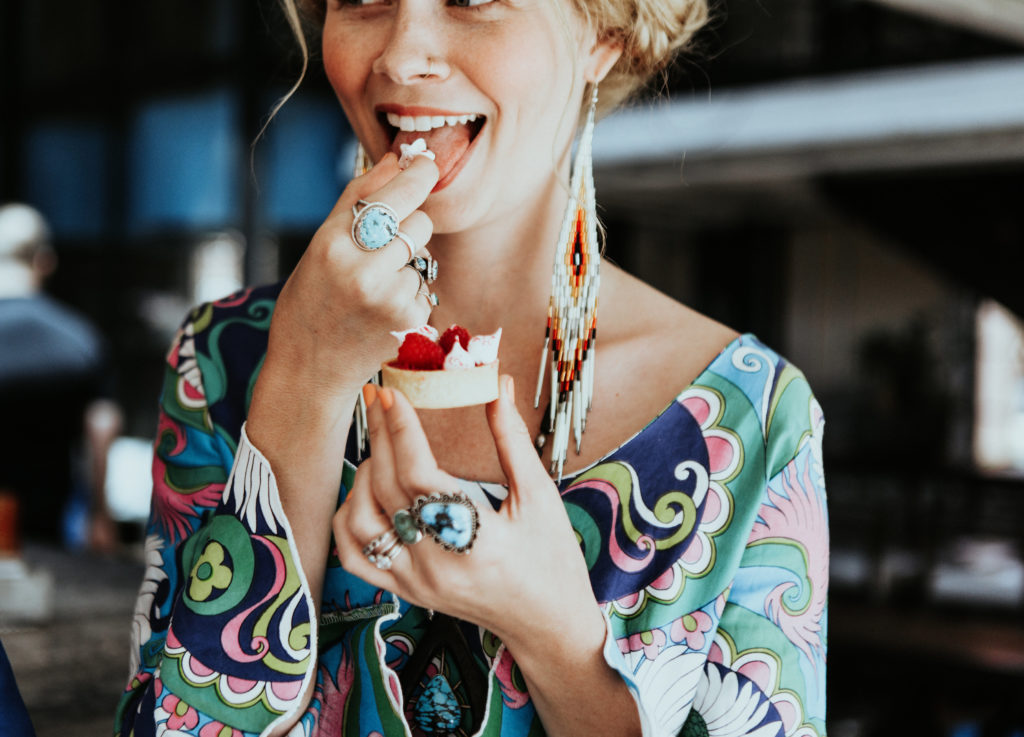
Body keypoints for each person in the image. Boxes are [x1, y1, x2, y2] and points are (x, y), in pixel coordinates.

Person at [117, 1, 828, 736]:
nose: (401, 55)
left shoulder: (753, 418)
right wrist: (303, 379)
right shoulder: (223, 357)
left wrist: (552, 634)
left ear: (604, 35)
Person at [0, 202, 119, 554]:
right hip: (49, 524)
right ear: (44, 261)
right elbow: (101, 427)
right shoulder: (79, 338)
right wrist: (101, 513)